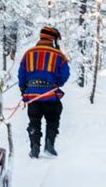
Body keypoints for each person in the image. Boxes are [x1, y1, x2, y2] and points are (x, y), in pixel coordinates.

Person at [18, 25, 70, 158]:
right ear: (53, 39)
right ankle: (49, 143)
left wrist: (24, 89)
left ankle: (34, 147)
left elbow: (21, 74)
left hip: (32, 96)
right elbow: (65, 74)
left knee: (34, 121)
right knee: (53, 118)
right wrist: (56, 83)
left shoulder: (28, 54)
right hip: (50, 95)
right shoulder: (59, 55)